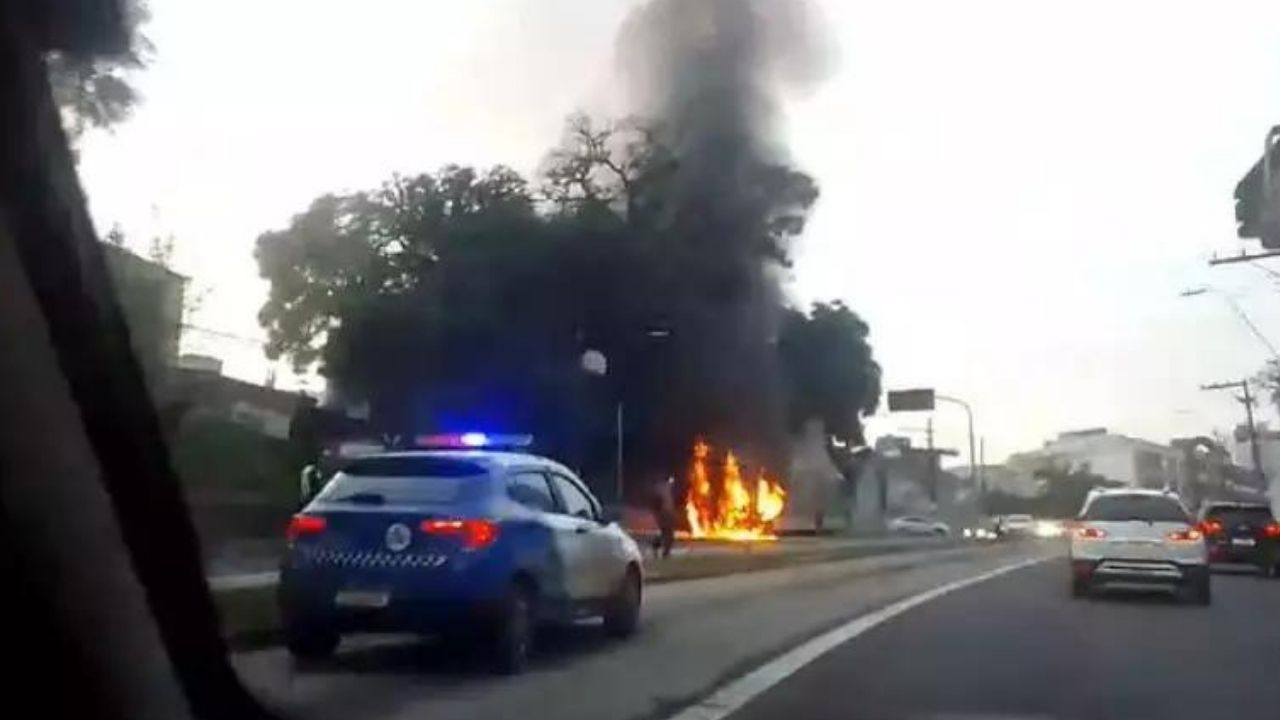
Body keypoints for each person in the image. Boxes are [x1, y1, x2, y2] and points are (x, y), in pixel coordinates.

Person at [650, 475, 677, 558]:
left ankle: (663, 551)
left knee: (666, 535)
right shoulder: (662, 489)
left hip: (666, 514)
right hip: (664, 514)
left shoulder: (664, 490)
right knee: (667, 535)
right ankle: (662, 550)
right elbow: (658, 504)